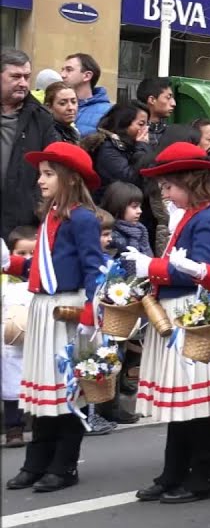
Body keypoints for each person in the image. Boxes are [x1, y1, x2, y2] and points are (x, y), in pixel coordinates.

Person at [122, 142, 210, 504]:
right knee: (183, 402)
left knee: (198, 402)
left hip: (194, 313)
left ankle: (202, 477)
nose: (165, 192)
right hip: (176, 309)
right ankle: (173, 473)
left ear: (192, 181)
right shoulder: (189, 214)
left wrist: (150, 266)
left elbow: (201, 270)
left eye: (170, 185)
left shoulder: (209, 217)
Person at [2, 142, 105, 493]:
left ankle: (64, 465)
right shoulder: (51, 217)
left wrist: (91, 313)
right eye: (40, 174)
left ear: (69, 178)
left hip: (68, 310)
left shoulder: (83, 218)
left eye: (49, 174)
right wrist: (11, 264)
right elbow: (44, 267)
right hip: (44, 307)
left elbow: (94, 269)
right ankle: (37, 461)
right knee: (45, 392)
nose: (41, 180)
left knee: (65, 392)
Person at [1, 49, 57, 240]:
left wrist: (37, 208)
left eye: (26, 77)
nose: (23, 83)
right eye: (16, 77)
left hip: (21, 224)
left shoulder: (41, 118)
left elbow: (54, 167)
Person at [3, 226, 36, 448]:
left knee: (35, 380)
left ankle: (38, 422)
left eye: (32, 254)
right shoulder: (3, 280)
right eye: (21, 254)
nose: (27, 260)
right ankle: (13, 428)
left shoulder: (41, 282)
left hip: (34, 339)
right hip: (8, 342)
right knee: (11, 384)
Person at [82, 100, 152, 202]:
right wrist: (142, 146)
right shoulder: (107, 147)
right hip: (112, 207)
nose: (145, 130)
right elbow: (130, 179)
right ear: (124, 123)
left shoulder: (133, 146)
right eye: (141, 124)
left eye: (147, 125)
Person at [61, 53, 110, 137]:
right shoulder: (55, 106)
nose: (62, 75)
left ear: (87, 76)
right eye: (62, 70)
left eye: (69, 70)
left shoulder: (107, 112)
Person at [101, 182, 152, 258]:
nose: (140, 211)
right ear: (119, 206)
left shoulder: (140, 230)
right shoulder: (110, 236)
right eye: (134, 207)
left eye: (140, 207)